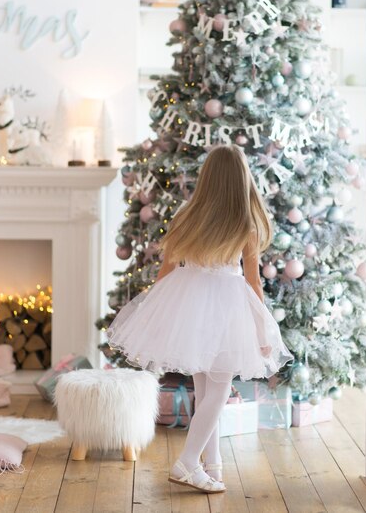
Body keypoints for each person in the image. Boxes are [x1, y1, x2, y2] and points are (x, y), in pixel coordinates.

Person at [107, 145, 293, 494]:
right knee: (217, 391)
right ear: (242, 180)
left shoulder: (187, 217)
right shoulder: (245, 223)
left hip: (190, 306)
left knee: (205, 390)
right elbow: (253, 282)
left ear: (207, 178)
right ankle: (188, 462)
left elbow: (165, 272)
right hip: (226, 309)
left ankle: (212, 464)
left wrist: (153, 312)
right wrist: (261, 327)